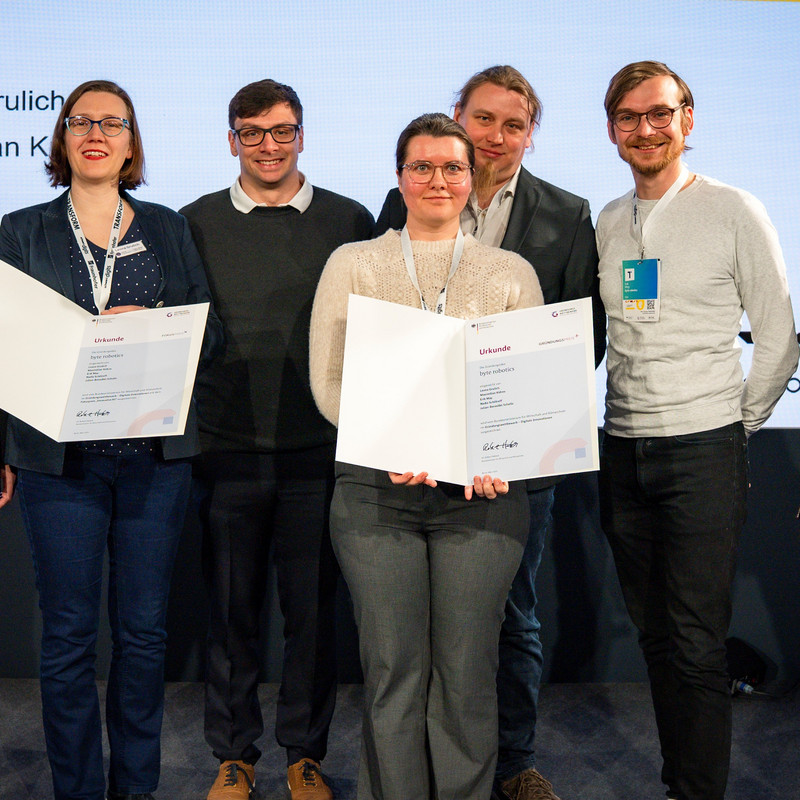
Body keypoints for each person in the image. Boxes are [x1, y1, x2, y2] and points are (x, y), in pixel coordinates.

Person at [375, 65, 603, 800]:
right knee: (420, 623)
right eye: (483, 119)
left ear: (531, 134)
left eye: (514, 124)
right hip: (415, 447)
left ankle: (512, 762)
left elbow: (580, 336)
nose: (496, 136)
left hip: (516, 452)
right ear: (458, 118)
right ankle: (430, 763)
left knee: (513, 613)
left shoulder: (567, 214)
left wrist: (506, 422)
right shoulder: (404, 196)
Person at [310, 112, 543, 800]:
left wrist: (499, 447)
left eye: (452, 167)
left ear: (474, 180)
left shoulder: (510, 272)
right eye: (422, 166)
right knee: (393, 672)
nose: (437, 179)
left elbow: (525, 387)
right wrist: (392, 441)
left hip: (483, 498)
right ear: (399, 176)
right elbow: (329, 380)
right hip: (376, 493)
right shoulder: (352, 263)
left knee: (468, 674)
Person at [0, 79, 223, 800]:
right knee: (67, 640)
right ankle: (77, 790)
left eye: (113, 123)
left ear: (131, 143)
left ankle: (136, 789)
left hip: (153, 462)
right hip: (58, 464)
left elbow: (207, 335)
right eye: (80, 121)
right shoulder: (21, 229)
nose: (96, 132)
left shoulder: (167, 226)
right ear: (61, 139)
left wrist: (144, 329)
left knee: (145, 636)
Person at [596, 61, 798, 800]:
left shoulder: (734, 209)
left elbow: (777, 338)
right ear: (612, 129)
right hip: (622, 448)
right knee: (657, 640)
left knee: (694, 643)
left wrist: (728, 427)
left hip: (702, 450)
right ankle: (680, 780)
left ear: (687, 119)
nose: (644, 129)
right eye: (628, 116)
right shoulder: (611, 220)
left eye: (659, 113)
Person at [179, 79, 374, 800]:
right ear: (231, 139)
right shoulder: (192, 221)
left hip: (319, 452)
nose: (269, 145)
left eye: (282, 131)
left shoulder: (348, 219)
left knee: (312, 615)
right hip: (224, 451)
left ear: (302, 135)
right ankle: (234, 754)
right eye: (253, 132)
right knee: (229, 615)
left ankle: (304, 754)